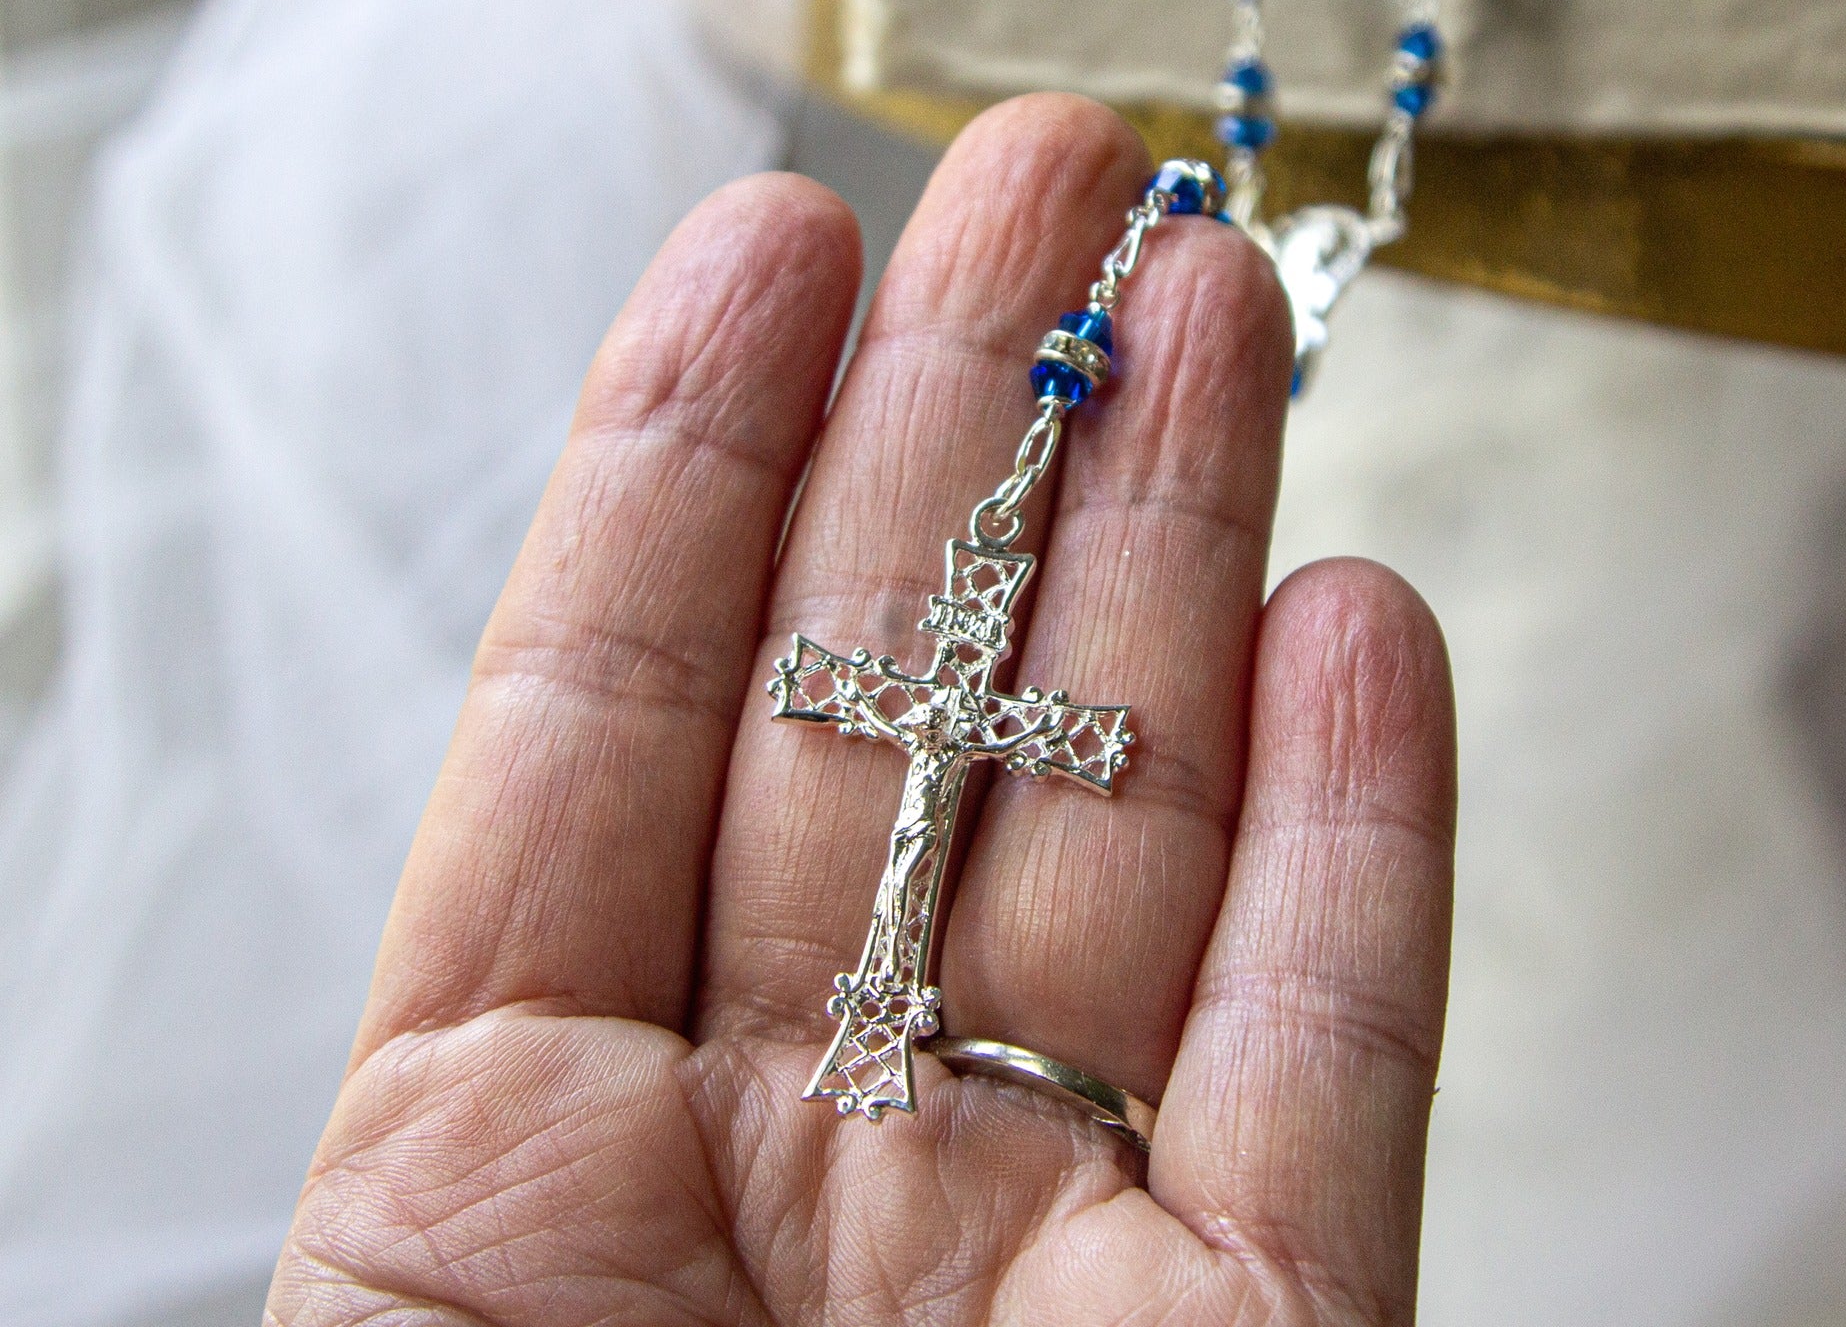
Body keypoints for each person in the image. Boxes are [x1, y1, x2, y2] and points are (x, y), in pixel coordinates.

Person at [266, 93, 1456, 1325]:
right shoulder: (896, 693)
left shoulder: (971, 706)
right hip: (887, 888)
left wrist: (1049, 733)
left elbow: (1043, 733)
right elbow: (896, 706)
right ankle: (879, 1002)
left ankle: (886, 1001)